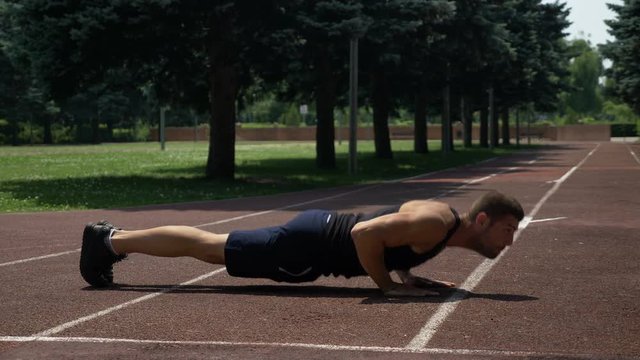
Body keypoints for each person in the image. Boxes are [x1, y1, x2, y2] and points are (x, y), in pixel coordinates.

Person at [80, 190, 524, 297]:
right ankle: (111, 241)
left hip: (314, 235)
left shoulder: (440, 221)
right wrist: (387, 288)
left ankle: (112, 240)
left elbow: (394, 236)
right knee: (208, 247)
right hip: (308, 247)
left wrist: (412, 277)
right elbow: (364, 233)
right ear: (482, 219)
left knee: (211, 245)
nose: (509, 241)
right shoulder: (437, 221)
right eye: (506, 230)